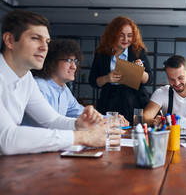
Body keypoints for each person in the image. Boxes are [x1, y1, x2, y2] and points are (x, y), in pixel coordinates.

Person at [0, 9, 108, 155]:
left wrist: (78, 124)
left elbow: (52, 120)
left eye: (47, 41)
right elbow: (7, 138)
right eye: (35, 38)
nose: (44, 48)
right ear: (9, 40)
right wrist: (83, 137)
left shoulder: (27, 79)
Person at [89, 16, 152, 125]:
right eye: (121, 35)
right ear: (113, 35)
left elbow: (149, 79)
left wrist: (140, 71)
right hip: (109, 100)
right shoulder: (102, 53)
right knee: (109, 131)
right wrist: (107, 78)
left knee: (133, 132)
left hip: (133, 99)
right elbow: (93, 81)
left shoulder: (137, 51)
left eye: (129, 36)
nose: (126, 39)